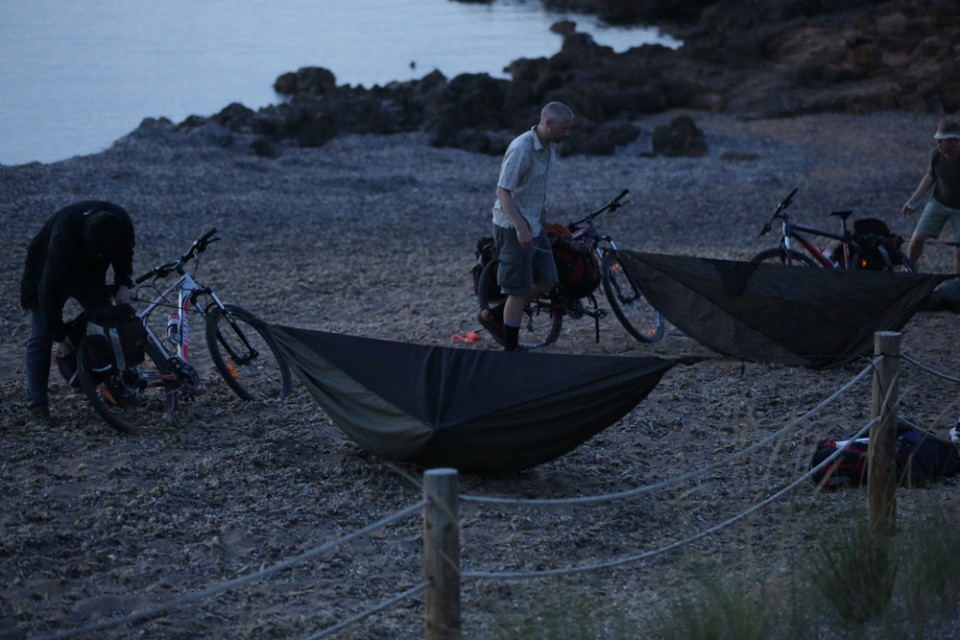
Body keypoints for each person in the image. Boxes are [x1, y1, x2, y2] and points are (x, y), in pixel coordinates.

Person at [20, 201, 136, 427]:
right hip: (46, 268)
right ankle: (38, 406)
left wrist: (123, 285)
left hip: (90, 273)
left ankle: (116, 388)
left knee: (107, 322)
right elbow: (48, 293)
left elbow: (125, 255)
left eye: (106, 252)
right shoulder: (64, 238)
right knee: (41, 336)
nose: (103, 253)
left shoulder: (121, 223)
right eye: (99, 251)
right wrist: (59, 338)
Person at [478, 101, 574, 351]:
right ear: (548, 123)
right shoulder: (522, 148)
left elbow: (535, 187)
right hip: (512, 227)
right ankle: (511, 348)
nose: (567, 134)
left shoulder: (548, 148)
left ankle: (496, 315)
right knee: (518, 289)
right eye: (564, 128)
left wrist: (540, 218)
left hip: (534, 225)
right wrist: (520, 227)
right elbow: (503, 191)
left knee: (547, 280)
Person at [901, 118, 960, 272]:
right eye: (937, 139)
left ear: (955, 140)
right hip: (939, 202)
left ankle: (957, 284)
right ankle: (910, 269)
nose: (938, 142)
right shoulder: (936, 156)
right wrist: (912, 201)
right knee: (916, 240)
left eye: (942, 139)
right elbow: (930, 177)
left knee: (959, 249)